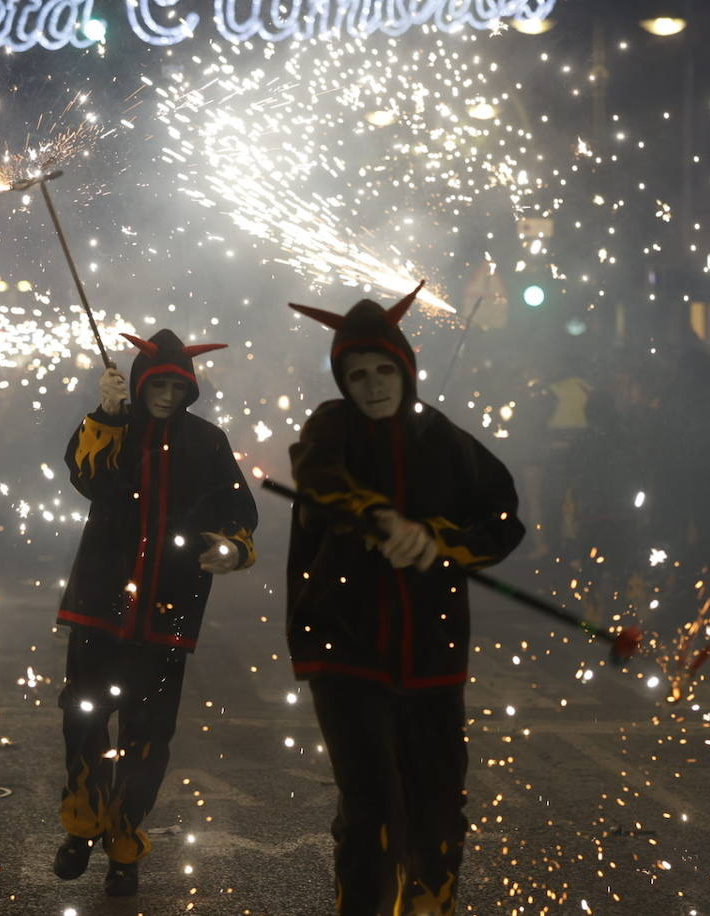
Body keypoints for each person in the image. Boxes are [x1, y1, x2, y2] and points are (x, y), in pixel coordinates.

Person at [286, 284, 524, 915]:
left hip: (433, 652)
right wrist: (380, 518)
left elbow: (503, 519)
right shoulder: (329, 426)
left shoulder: (442, 437)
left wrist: (443, 541)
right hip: (345, 645)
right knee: (374, 812)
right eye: (356, 374)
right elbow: (319, 482)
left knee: (438, 814)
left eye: (384, 369)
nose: (372, 385)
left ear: (407, 369)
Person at [51, 330, 258, 896]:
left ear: (189, 388)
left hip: (169, 617)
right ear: (140, 384)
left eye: (176, 386)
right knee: (85, 718)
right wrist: (108, 414)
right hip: (100, 609)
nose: (166, 396)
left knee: (148, 736)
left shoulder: (207, 441)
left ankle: (123, 842)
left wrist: (233, 545)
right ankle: (81, 824)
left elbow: (239, 508)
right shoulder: (117, 427)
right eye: (157, 385)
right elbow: (87, 477)